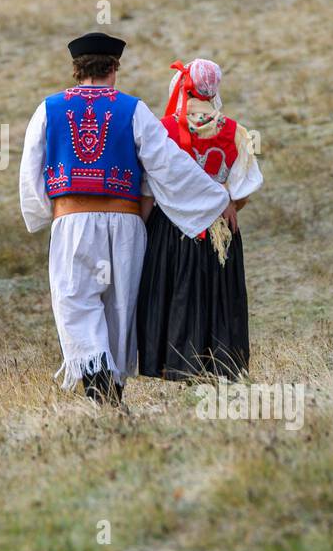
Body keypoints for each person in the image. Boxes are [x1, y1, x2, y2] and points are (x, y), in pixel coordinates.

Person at [19, 34, 231, 405]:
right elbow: (167, 165)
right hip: (125, 224)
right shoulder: (133, 110)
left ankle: (102, 397)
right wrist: (215, 199)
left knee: (76, 304)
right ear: (114, 67)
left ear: (76, 69)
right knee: (119, 310)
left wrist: (47, 211)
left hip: (73, 222)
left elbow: (31, 171)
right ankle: (110, 396)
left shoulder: (48, 109)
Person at [137, 58, 262, 381]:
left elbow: (148, 189)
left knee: (176, 293)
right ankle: (221, 367)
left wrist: (142, 231)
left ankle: (176, 366)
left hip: (170, 229)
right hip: (220, 231)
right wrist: (221, 202)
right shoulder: (236, 132)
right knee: (219, 297)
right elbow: (243, 191)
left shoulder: (161, 131)